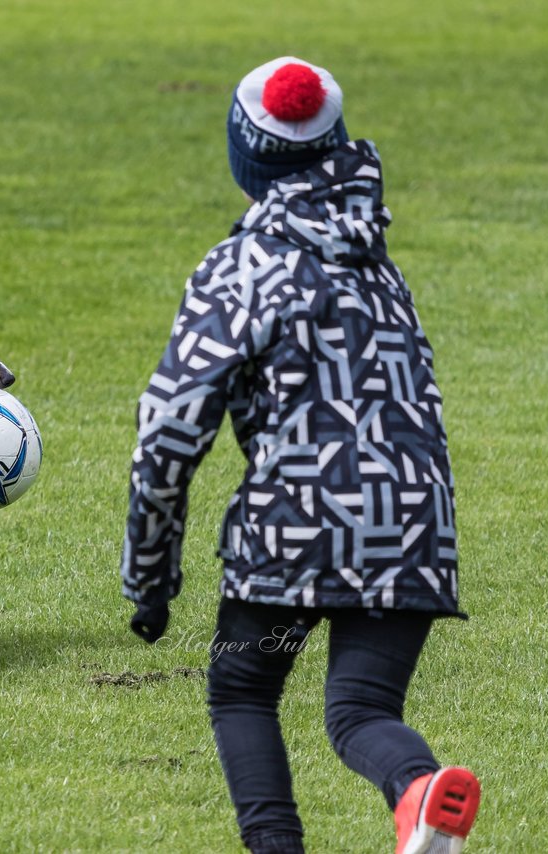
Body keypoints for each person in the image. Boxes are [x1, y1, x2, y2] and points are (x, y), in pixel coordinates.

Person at [119, 57, 481, 854]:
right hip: (411, 533)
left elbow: (172, 428)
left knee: (243, 691)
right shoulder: (383, 270)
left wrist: (150, 579)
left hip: (294, 538)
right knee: (360, 712)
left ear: (246, 159)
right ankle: (418, 791)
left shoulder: (240, 266)